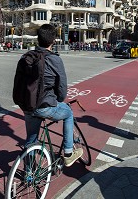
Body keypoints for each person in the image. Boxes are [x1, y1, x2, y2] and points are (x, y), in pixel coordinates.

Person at [24, 24, 83, 167]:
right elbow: (62, 89)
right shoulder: (55, 59)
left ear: (38, 39)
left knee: (31, 140)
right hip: (44, 106)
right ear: (53, 40)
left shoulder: (27, 56)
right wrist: (59, 100)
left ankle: (29, 173)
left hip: (26, 104)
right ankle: (68, 153)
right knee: (68, 113)